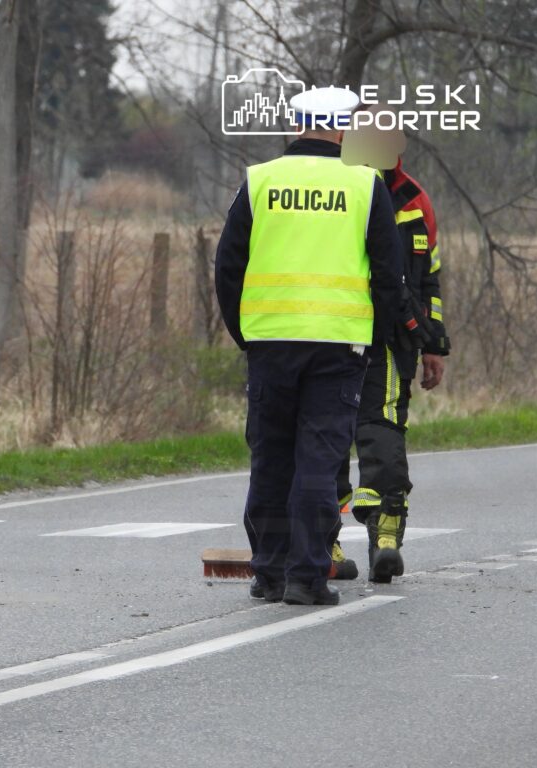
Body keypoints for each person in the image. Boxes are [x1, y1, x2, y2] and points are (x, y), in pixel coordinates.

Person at [214, 86, 404, 605]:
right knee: (319, 462)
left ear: (296, 125)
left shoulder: (260, 181)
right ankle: (306, 577)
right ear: (343, 127)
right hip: (339, 347)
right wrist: (375, 340)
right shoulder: (365, 185)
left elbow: (228, 268)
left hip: (270, 343)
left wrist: (245, 333)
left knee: (271, 459)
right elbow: (389, 276)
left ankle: (269, 573)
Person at [333, 157, 450, 583]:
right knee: (326, 433)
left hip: (393, 334)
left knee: (383, 428)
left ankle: (385, 539)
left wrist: (434, 343)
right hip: (334, 330)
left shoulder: (414, 198)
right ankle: (325, 539)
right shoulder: (337, 184)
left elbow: (428, 277)